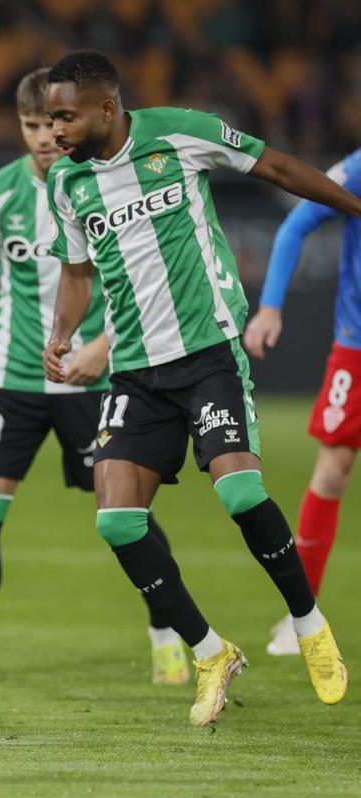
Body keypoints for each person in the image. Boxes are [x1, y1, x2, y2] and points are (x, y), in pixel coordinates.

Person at [42, 50, 352, 726]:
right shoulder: (66, 184)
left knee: (240, 490)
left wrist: (354, 205)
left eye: (65, 116)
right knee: (117, 520)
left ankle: (307, 622)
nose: (54, 130)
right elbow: (76, 271)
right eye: (47, 118)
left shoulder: (180, 132)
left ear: (106, 108)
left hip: (209, 350)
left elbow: (273, 165)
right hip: (137, 370)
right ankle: (212, 651)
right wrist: (62, 331)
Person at [0, 68, 186, 686]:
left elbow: (145, 280)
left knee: (128, 514)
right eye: (30, 126)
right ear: (18, 126)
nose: (43, 137)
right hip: (14, 380)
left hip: (93, 383)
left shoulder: (107, 186)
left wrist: (106, 344)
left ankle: (166, 637)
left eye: (51, 124)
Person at [243, 147, 361, 655]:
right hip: (357, 346)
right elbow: (296, 225)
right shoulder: (358, 170)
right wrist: (269, 306)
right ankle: (303, 618)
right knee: (332, 470)